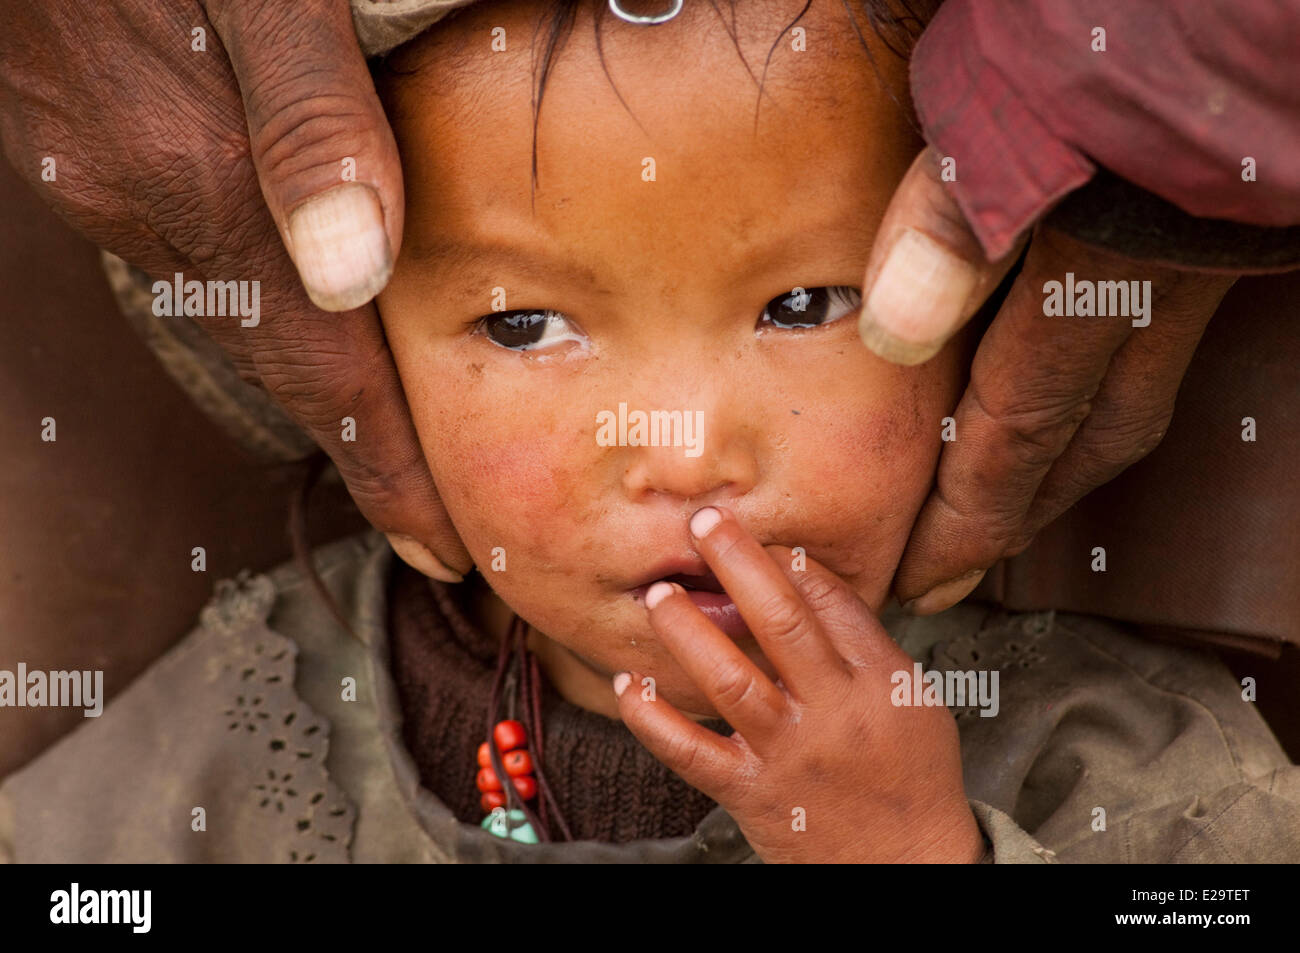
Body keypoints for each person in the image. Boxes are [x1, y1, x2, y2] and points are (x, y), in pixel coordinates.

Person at [2, 0, 1297, 864]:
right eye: (522, 327)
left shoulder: (1133, 768)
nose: (683, 449)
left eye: (804, 304)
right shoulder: (250, 719)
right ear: (358, 356)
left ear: (990, 296)